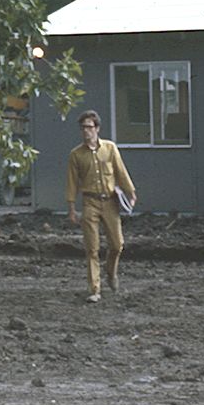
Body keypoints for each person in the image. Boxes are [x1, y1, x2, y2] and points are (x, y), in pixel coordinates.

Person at [66, 109, 137, 303]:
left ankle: (110, 272)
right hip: (90, 203)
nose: (85, 131)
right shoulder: (76, 155)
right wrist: (72, 207)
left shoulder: (110, 148)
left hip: (110, 202)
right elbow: (72, 182)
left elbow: (120, 171)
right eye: (82, 128)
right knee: (92, 248)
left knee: (117, 244)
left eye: (89, 127)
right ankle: (94, 289)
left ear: (97, 128)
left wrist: (131, 192)